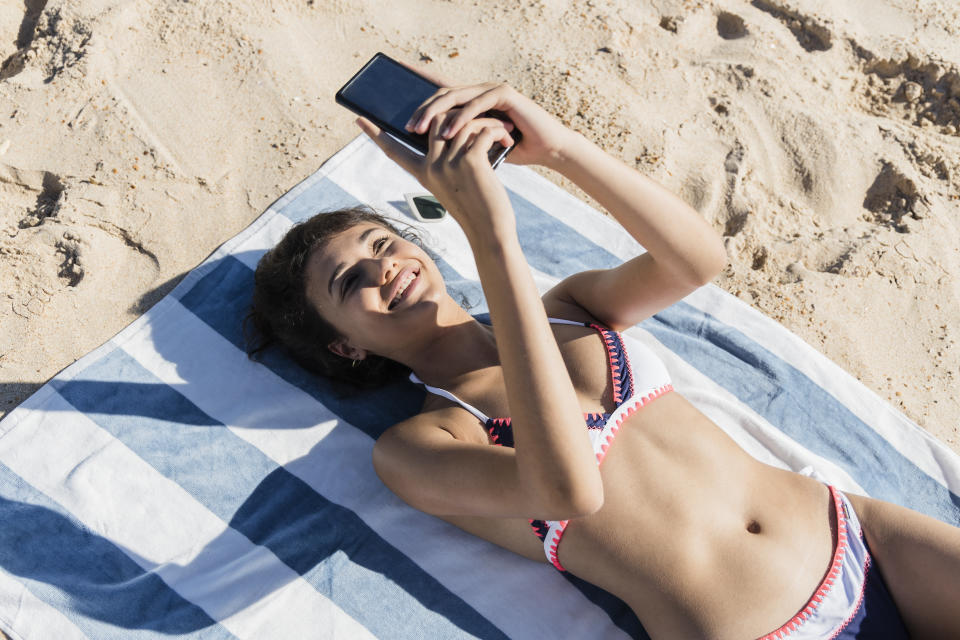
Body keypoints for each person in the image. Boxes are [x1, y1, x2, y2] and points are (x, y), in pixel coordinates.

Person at [246, 67, 960, 638]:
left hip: (860, 536)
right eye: (350, 282)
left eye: (381, 242)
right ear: (344, 347)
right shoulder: (422, 444)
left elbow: (695, 259)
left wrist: (558, 147)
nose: (382, 268)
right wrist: (493, 236)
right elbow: (569, 490)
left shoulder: (565, 314)